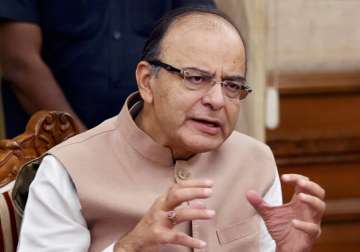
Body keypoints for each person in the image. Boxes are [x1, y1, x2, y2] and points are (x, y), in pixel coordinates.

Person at [17, 7, 326, 252]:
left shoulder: (255, 160)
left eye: (232, 85)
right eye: (195, 78)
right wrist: (128, 248)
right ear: (147, 82)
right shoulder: (68, 168)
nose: (217, 100)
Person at [0, 0, 215, 138]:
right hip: (50, 153)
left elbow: (204, 40)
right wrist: (81, 143)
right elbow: (18, 62)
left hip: (157, 151)